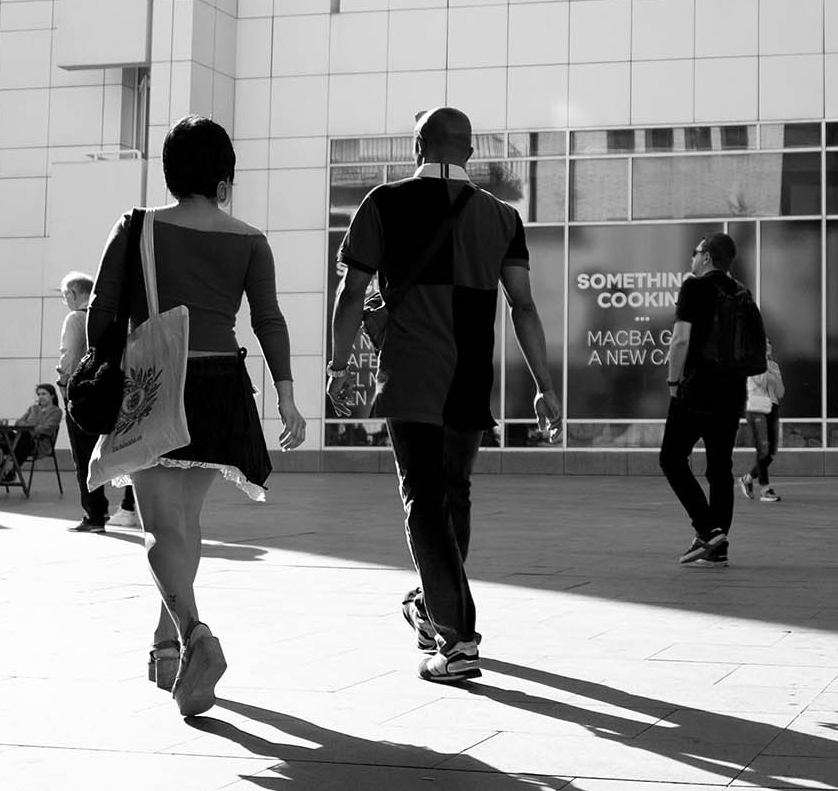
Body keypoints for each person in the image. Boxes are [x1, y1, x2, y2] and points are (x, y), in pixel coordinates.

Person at [327, 107, 561, 686]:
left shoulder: (382, 203)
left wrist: (337, 367)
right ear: (471, 151)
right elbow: (524, 307)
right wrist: (545, 387)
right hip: (469, 378)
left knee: (423, 500)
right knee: (453, 494)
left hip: (411, 375)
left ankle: (457, 641)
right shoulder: (503, 217)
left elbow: (352, 293)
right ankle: (436, 612)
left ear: (416, 146)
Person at [87, 116, 306, 718]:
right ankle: (164, 650)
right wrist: (285, 395)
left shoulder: (138, 228)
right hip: (223, 388)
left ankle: (194, 637)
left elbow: (102, 313)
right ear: (224, 174)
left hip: (158, 383)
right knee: (186, 523)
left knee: (159, 527)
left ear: (169, 170)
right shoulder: (250, 239)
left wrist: (100, 371)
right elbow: (269, 320)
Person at [662, 233, 756, 566]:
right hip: (731, 393)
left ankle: (707, 529)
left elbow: (679, 341)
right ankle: (718, 548)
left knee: (671, 459)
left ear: (706, 258)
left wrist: (674, 381)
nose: (692, 257)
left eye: (695, 252)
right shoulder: (742, 292)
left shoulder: (693, 286)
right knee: (719, 469)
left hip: (696, 389)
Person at [57, 272, 139, 533]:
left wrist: (64, 387)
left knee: (84, 457)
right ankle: (130, 506)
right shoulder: (112, 318)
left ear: (72, 294)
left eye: (64, 297)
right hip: (115, 393)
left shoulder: (75, 318)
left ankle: (94, 515)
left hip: (85, 396)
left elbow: (69, 356)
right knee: (126, 451)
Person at [736, 341, 784, 503]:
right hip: (757, 408)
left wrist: (773, 372)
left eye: (770, 344)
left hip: (773, 407)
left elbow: (780, 391)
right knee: (763, 450)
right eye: (765, 345)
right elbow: (761, 382)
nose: (769, 346)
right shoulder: (753, 364)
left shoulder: (774, 365)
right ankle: (765, 489)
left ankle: (747, 479)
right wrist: (767, 367)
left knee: (771, 452)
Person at [9, 383, 63, 472]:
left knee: (24, 435)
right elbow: (18, 423)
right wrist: (31, 427)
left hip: (39, 443)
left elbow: (47, 429)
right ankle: (2, 469)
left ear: (52, 396)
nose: (41, 397)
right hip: (22, 440)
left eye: (44, 394)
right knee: (5, 435)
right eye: (39, 394)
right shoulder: (33, 408)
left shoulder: (56, 411)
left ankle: (12, 470)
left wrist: (28, 428)